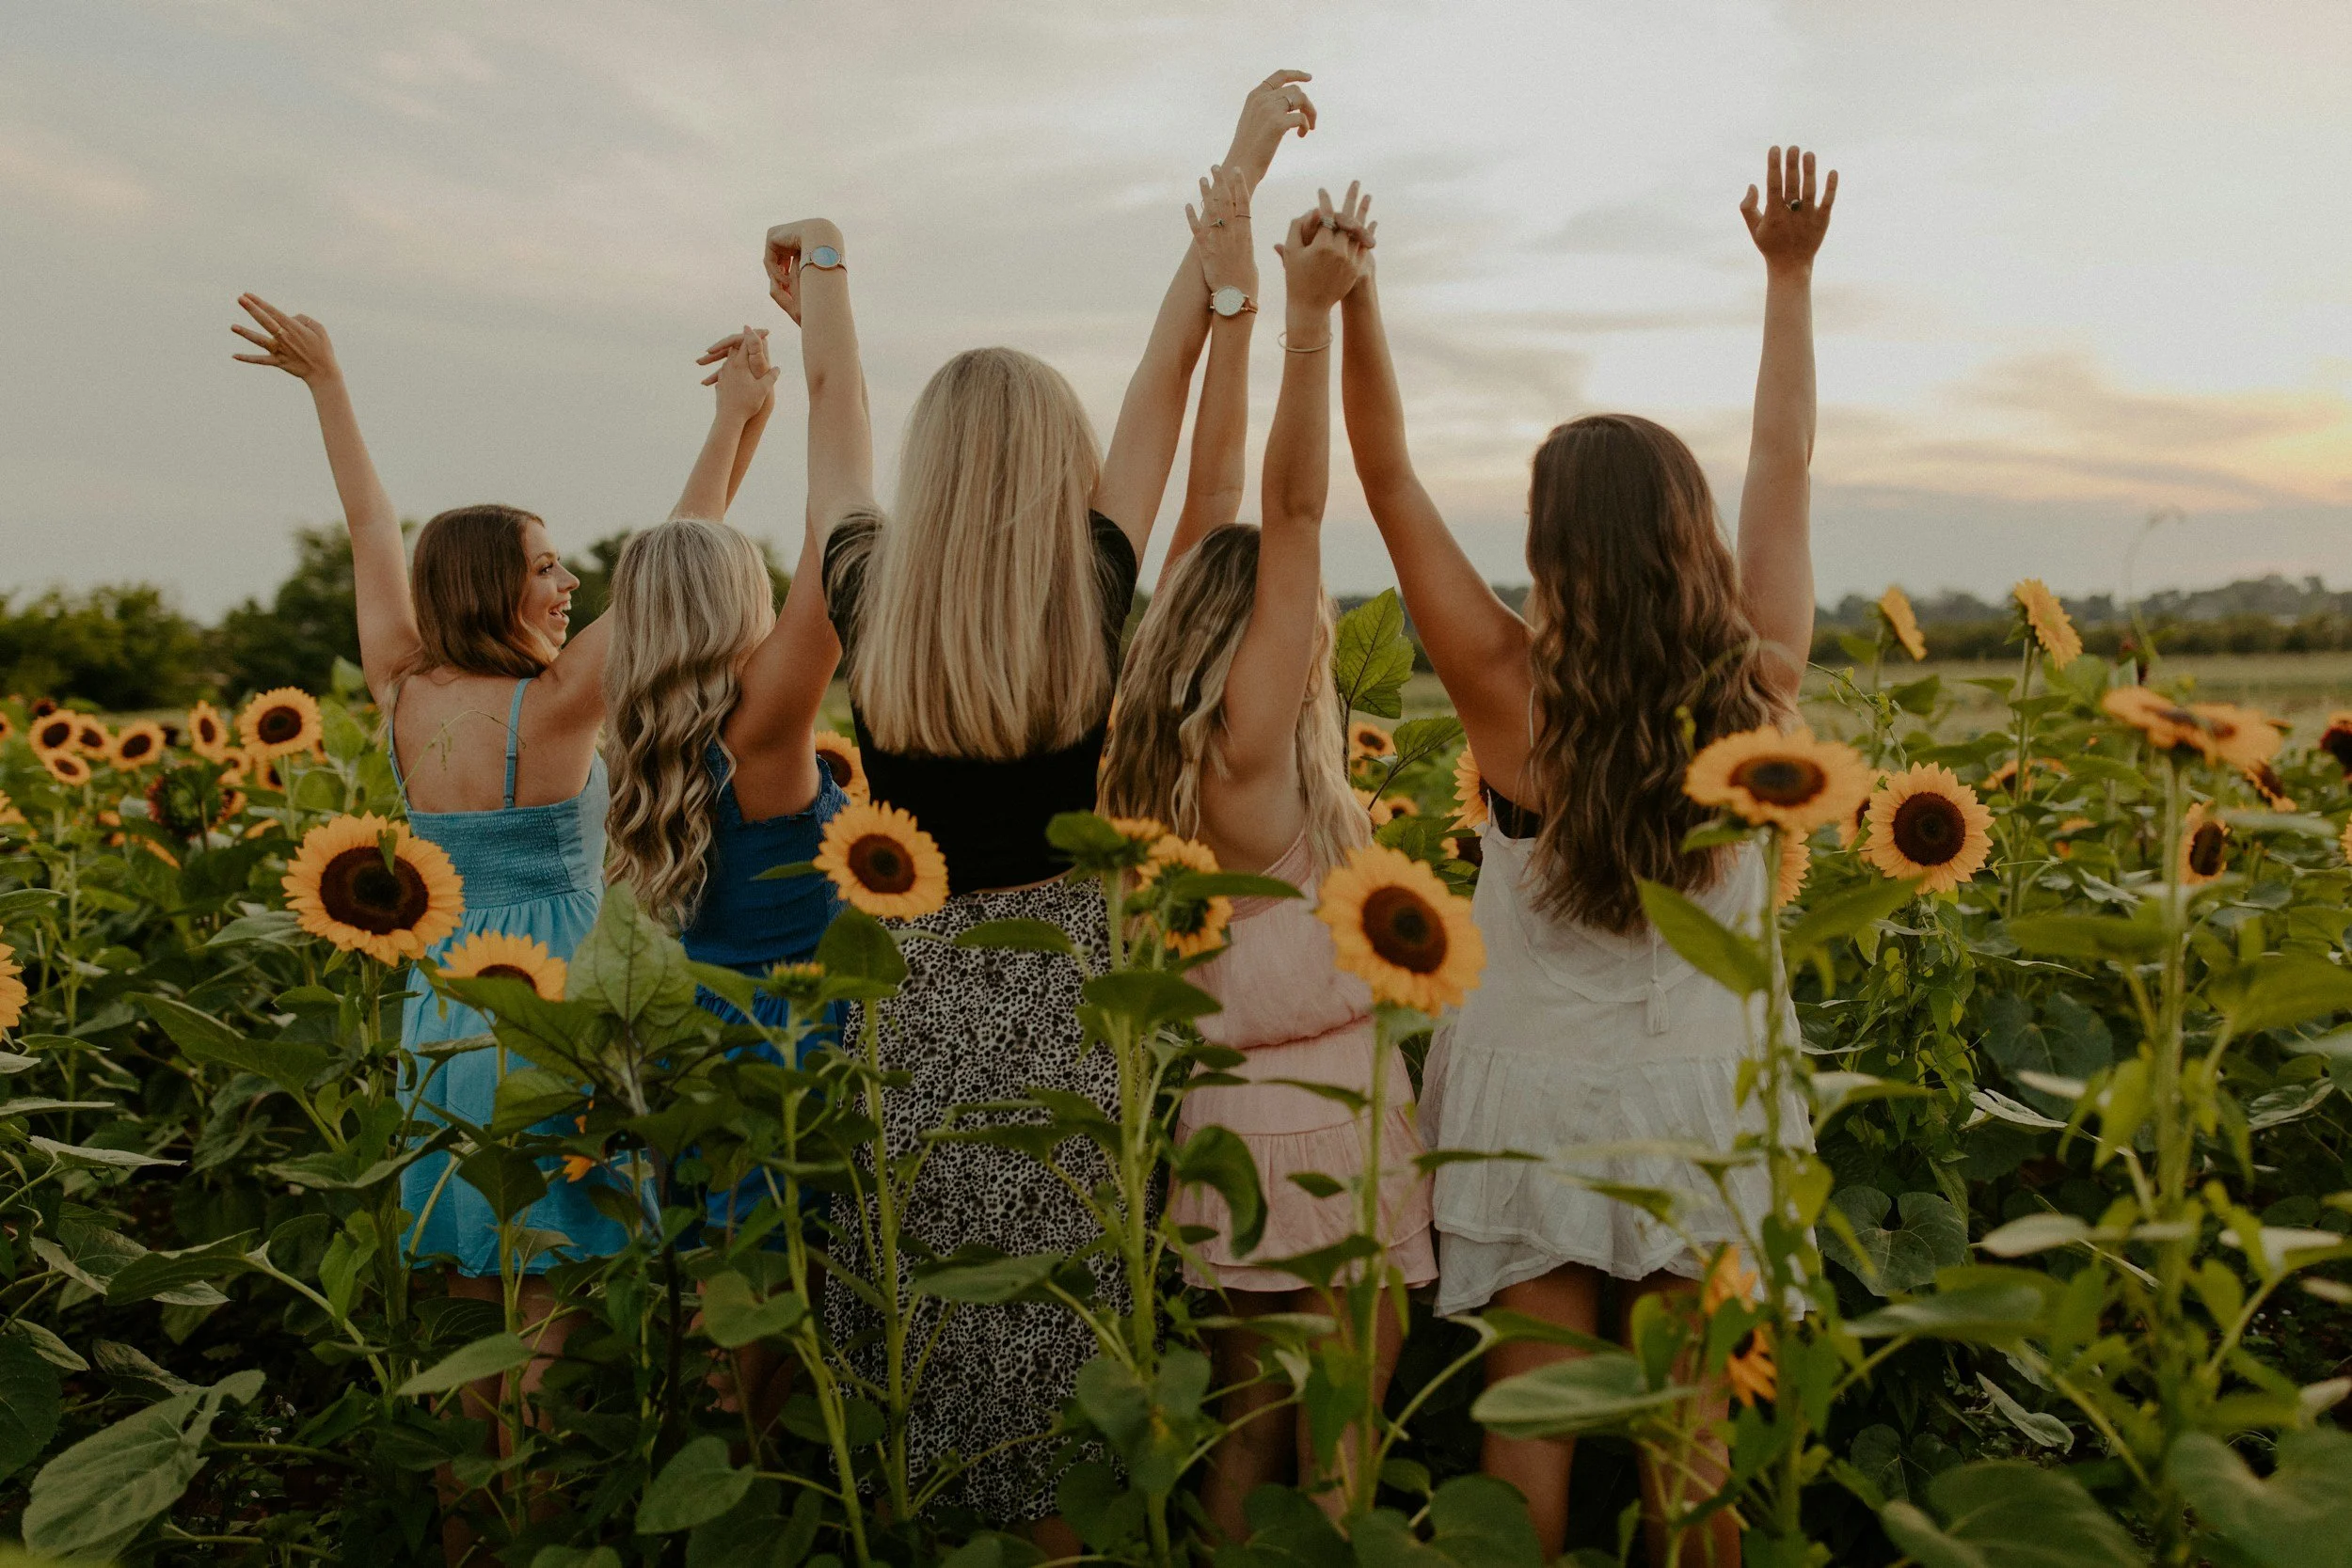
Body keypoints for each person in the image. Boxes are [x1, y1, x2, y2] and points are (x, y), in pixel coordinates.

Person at [782, 71, 1317, 1538]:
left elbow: (833, 412)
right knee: (1072, 1325)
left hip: (916, 997)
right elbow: (1165, 378)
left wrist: (824, 274)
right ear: (1050, 464)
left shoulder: (868, 593)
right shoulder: (1085, 587)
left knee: (934, 1320)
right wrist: (1241, 169)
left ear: (935, 472)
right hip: (1070, 988)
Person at [1335, 148, 1839, 1564]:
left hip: (1531, 1102)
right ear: (1690, 541)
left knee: (1527, 1452)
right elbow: (1785, 463)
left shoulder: (1506, 692)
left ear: (1550, 546)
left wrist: (1360, 296)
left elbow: (1383, 473)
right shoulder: (1762, 688)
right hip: (1708, 1094)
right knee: (1695, 1456)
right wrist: (1788, 278)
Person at [1097, 184, 1434, 1533]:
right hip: (1338, 1118)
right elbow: (1286, 513)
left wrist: (1243, 296)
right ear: (1266, 628)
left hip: (1223, 1116)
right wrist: (1313, 320)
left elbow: (1227, 499)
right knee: (1343, 1464)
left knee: (1240, 1450)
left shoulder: (1171, 741)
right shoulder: (1257, 743)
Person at [600, 325, 847, 1431]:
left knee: (713, 1283)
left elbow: (674, 561)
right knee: (771, 1314)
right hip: (790, 1053)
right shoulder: (768, 730)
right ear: (738, 603)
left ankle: (703, 1483)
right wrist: (825, 333)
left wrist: (734, 418)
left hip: (688, 1038)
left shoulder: (633, 734)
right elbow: (841, 538)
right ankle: (745, 1502)